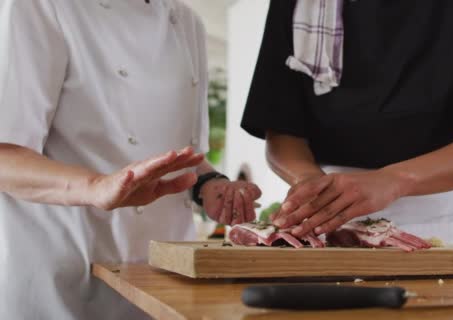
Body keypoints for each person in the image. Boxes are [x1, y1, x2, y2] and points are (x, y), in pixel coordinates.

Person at [0, 0, 260, 318]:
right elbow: (6, 157)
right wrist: (96, 186)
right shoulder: (39, 6)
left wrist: (207, 183)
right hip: (62, 277)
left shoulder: (187, 21)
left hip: (163, 281)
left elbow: (182, 152)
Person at [241, 0, 453, 244]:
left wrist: (395, 180)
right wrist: (312, 187)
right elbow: (281, 129)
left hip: (438, 224)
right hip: (323, 224)